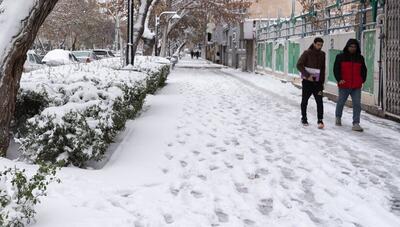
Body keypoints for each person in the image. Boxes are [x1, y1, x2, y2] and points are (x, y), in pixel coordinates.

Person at [334, 39, 367, 132]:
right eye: (351, 46)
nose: (353, 48)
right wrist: (339, 79)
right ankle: (338, 117)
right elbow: (336, 69)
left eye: (355, 47)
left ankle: (356, 123)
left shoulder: (360, 58)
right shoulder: (340, 56)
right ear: (347, 47)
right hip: (344, 84)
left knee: (357, 104)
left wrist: (362, 80)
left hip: (356, 86)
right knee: (341, 102)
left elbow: (364, 70)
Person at [297, 37, 326, 129]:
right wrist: (307, 75)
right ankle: (304, 118)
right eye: (318, 44)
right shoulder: (307, 53)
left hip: (318, 83)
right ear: (314, 43)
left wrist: (322, 82)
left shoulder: (322, 54)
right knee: (305, 100)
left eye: (321, 45)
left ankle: (320, 120)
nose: (319, 46)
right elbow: (299, 65)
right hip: (307, 82)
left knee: (319, 101)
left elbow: (323, 69)